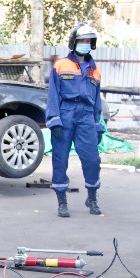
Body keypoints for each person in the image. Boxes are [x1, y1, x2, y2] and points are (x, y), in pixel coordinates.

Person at [46, 22, 105, 217]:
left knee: (93, 160)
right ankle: (62, 201)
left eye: (89, 41)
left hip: (86, 116)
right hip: (65, 114)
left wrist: (98, 125)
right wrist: (54, 120)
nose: (85, 44)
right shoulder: (61, 65)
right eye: (82, 40)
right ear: (74, 42)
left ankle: (92, 197)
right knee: (60, 159)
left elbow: (97, 101)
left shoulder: (94, 70)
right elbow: (53, 95)